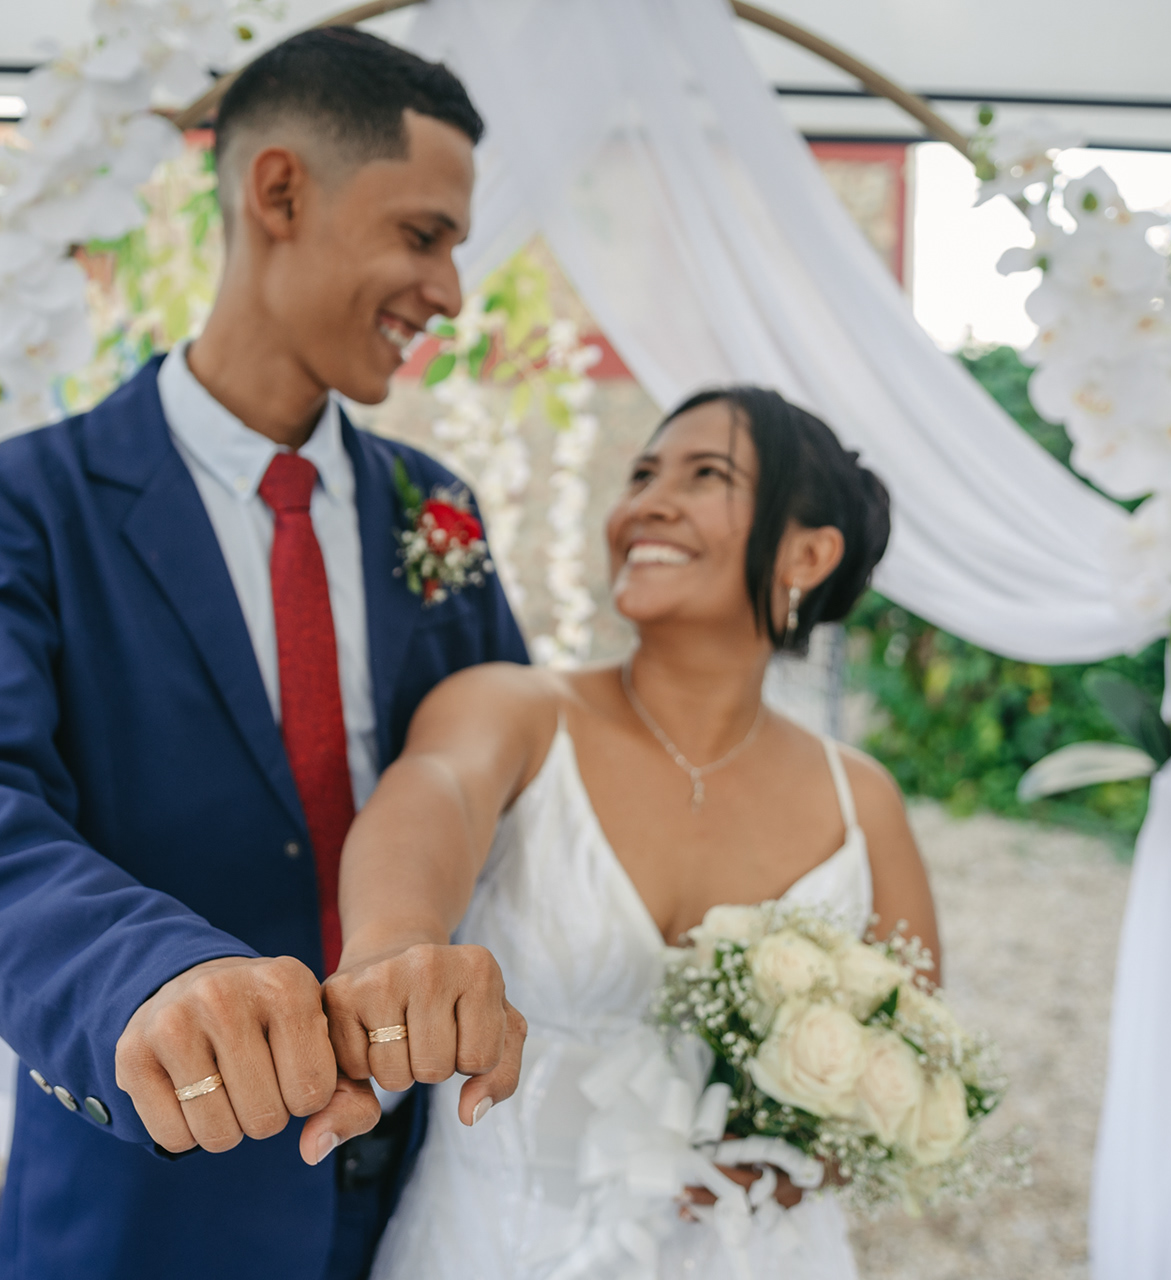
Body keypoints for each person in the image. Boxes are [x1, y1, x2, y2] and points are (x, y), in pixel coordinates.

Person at [0, 29, 528, 1280]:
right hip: (152, 1201)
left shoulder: (438, 507)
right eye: (423, 235)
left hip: (431, 1187)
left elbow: (504, 777)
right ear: (279, 192)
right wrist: (150, 980)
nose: (449, 292)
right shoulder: (11, 509)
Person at [328, 386, 939, 1278]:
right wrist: (396, 943)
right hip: (491, 1247)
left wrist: (817, 1157)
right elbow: (433, 797)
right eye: (643, 474)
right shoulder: (511, 709)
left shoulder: (864, 802)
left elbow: (913, 1064)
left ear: (809, 553)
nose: (648, 502)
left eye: (706, 475)